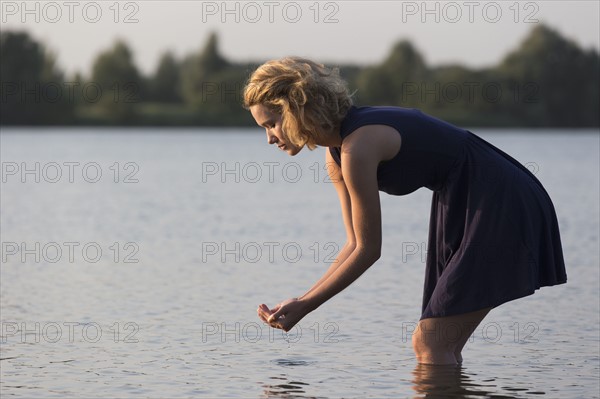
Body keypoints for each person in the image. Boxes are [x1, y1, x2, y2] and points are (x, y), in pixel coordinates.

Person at [243, 57, 567, 365]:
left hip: (497, 198)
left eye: (271, 124)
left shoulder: (359, 146)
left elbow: (370, 250)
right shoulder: (337, 155)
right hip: (460, 202)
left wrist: (307, 306)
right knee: (441, 342)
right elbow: (354, 244)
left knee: (431, 342)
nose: (269, 138)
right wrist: (302, 299)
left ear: (296, 110)